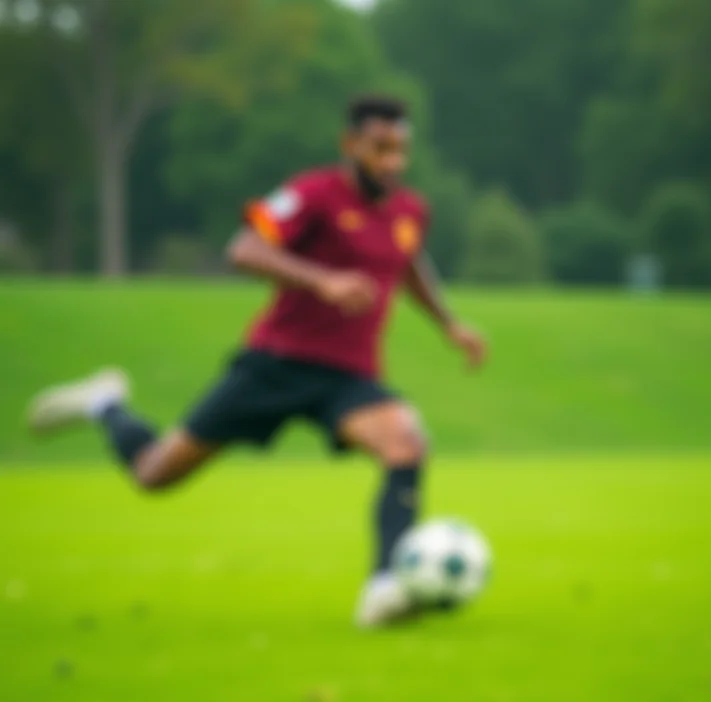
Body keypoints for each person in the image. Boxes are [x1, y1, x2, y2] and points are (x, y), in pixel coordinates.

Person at [27, 95, 488, 627]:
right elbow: (243, 250)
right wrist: (324, 280)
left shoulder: (411, 210)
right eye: (380, 148)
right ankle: (104, 403)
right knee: (154, 475)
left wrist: (450, 323)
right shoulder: (312, 193)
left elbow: (408, 263)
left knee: (405, 444)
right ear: (351, 145)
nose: (392, 161)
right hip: (275, 364)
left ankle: (385, 588)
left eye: (400, 150)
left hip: (349, 376)